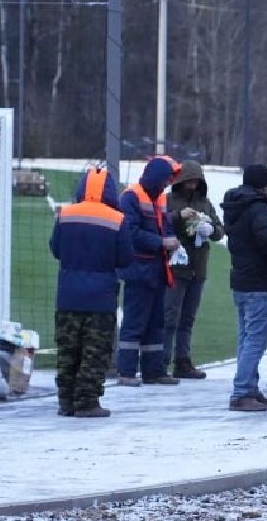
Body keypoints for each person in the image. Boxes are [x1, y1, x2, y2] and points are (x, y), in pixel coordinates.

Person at [49, 166, 135, 418]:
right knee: (94, 352)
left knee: (68, 351)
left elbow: (56, 249)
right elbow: (125, 258)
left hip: (68, 296)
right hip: (100, 299)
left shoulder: (66, 214)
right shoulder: (116, 219)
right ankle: (86, 401)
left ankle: (66, 400)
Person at [221, 164, 267, 412]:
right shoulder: (258, 208)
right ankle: (241, 392)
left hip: (240, 279)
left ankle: (249, 387)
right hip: (258, 281)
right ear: (264, 183)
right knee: (255, 341)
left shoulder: (235, 206)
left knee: (246, 338)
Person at [116, 155, 180, 386]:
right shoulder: (131, 197)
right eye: (165, 180)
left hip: (156, 270)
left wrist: (172, 239)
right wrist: (162, 242)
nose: (167, 185)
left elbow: (166, 225)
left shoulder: (158, 198)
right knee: (135, 322)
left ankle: (154, 371)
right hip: (139, 269)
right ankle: (126, 372)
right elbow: (130, 233)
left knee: (156, 323)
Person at [164, 159, 224, 380]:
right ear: (180, 181)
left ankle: (183, 361)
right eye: (188, 181)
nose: (192, 186)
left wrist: (210, 229)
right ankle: (162, 362)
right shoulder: (169, 201)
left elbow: (220, 231)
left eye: (196, 182)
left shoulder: (205, 203)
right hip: (175, 266)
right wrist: (178, 216)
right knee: (170, 316)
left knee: (188, 317)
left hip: (198, 267)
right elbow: (160, 222)